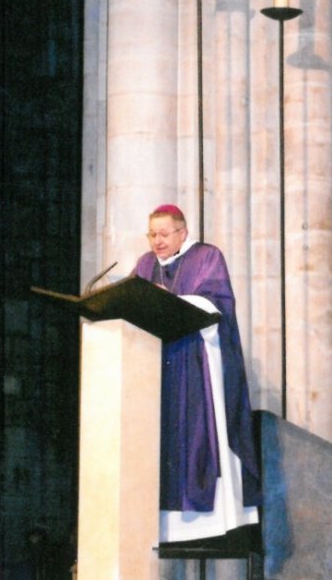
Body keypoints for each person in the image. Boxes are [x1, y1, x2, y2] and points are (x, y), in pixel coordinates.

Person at [133, 203, 261, 543]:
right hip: (154, 366)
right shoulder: (146, 265)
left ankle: (208, 520)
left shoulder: (207, 257)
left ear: (182, 233)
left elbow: (219, 305)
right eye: (152, 234)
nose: (156, 242)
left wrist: (174, 301)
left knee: (197, 433)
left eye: (163, 234)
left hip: (196, 362)